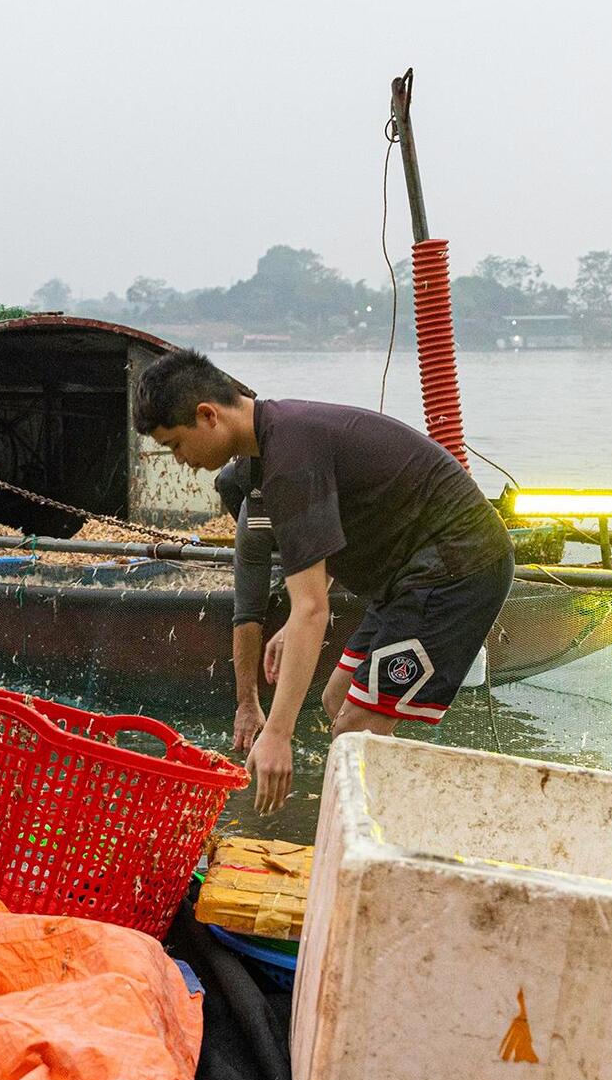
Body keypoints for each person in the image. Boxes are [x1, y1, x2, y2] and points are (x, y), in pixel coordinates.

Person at [136, 349, 512, 814]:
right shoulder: (276, 440)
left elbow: (313, 609)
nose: (181, 462)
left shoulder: (290, 458)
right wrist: (295, 623)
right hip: (407, 575)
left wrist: (277, 734)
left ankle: (415, 826)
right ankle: (393, 817)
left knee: (355, 729)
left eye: (175, 445)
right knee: (338, 700)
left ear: (207, 415)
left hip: (457, 570)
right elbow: (330, 549)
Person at [214, 458, 275, 757]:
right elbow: (248, 611)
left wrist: (280, 730)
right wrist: (247, 701)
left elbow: (312, 605)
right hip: (262, 514)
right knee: (225, 478)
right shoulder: (254, 507)